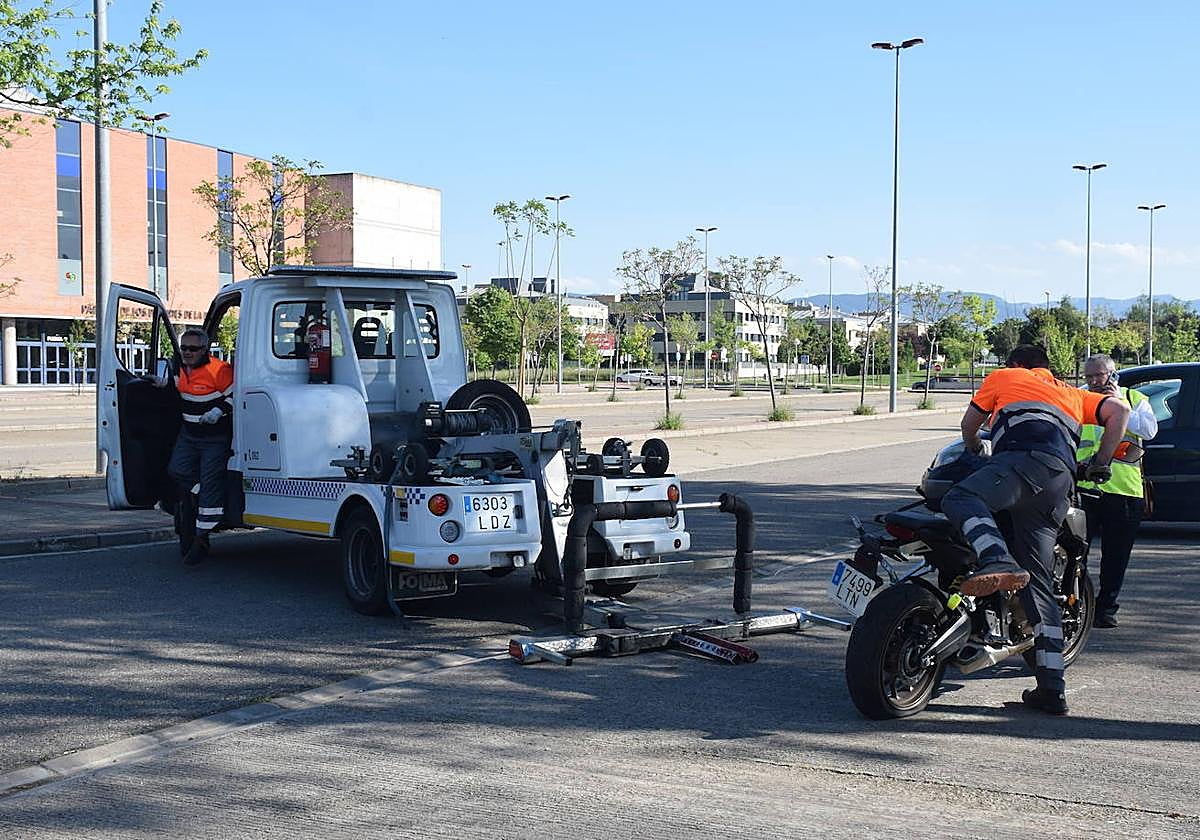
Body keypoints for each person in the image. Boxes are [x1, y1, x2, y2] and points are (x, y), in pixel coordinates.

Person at [940, 344, 1129, 715]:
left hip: (1020, 464)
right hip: (1058, 484)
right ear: (1047, 367)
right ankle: (1052, 689)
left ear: (1015, 364)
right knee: (1038, 585)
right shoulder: (1071, 393)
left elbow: (968, 426)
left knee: (961, 498)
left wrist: (974, 445)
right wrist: (1101, 462)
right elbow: (1120, 410)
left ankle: (994, 557)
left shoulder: (1003, 376)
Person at [1077, 354, 1158, 628]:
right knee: (1076, 552)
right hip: (1084, 488)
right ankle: (1075, 604)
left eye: (1098, 375)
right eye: (1088, 376)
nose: (1093, 381)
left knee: (1116, 555)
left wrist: (1121, 406)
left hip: (1124, 490)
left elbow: (1149, 431)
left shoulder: (1134, 399)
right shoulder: (1080, 398)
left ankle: (1106, 608)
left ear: (1113, 374)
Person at [151, 327, 234, 566]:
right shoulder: (180, 367)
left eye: (193, 348)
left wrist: (219, 411)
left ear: (205, 349)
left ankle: (201, 540)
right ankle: (204, 490)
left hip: (214, 438)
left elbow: (236, 395)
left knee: (209, 485)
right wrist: (161, 383)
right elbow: (177, 387)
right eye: (184, 347)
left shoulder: (219, 370)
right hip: (189, 435)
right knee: (176, 470)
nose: (187, 352)